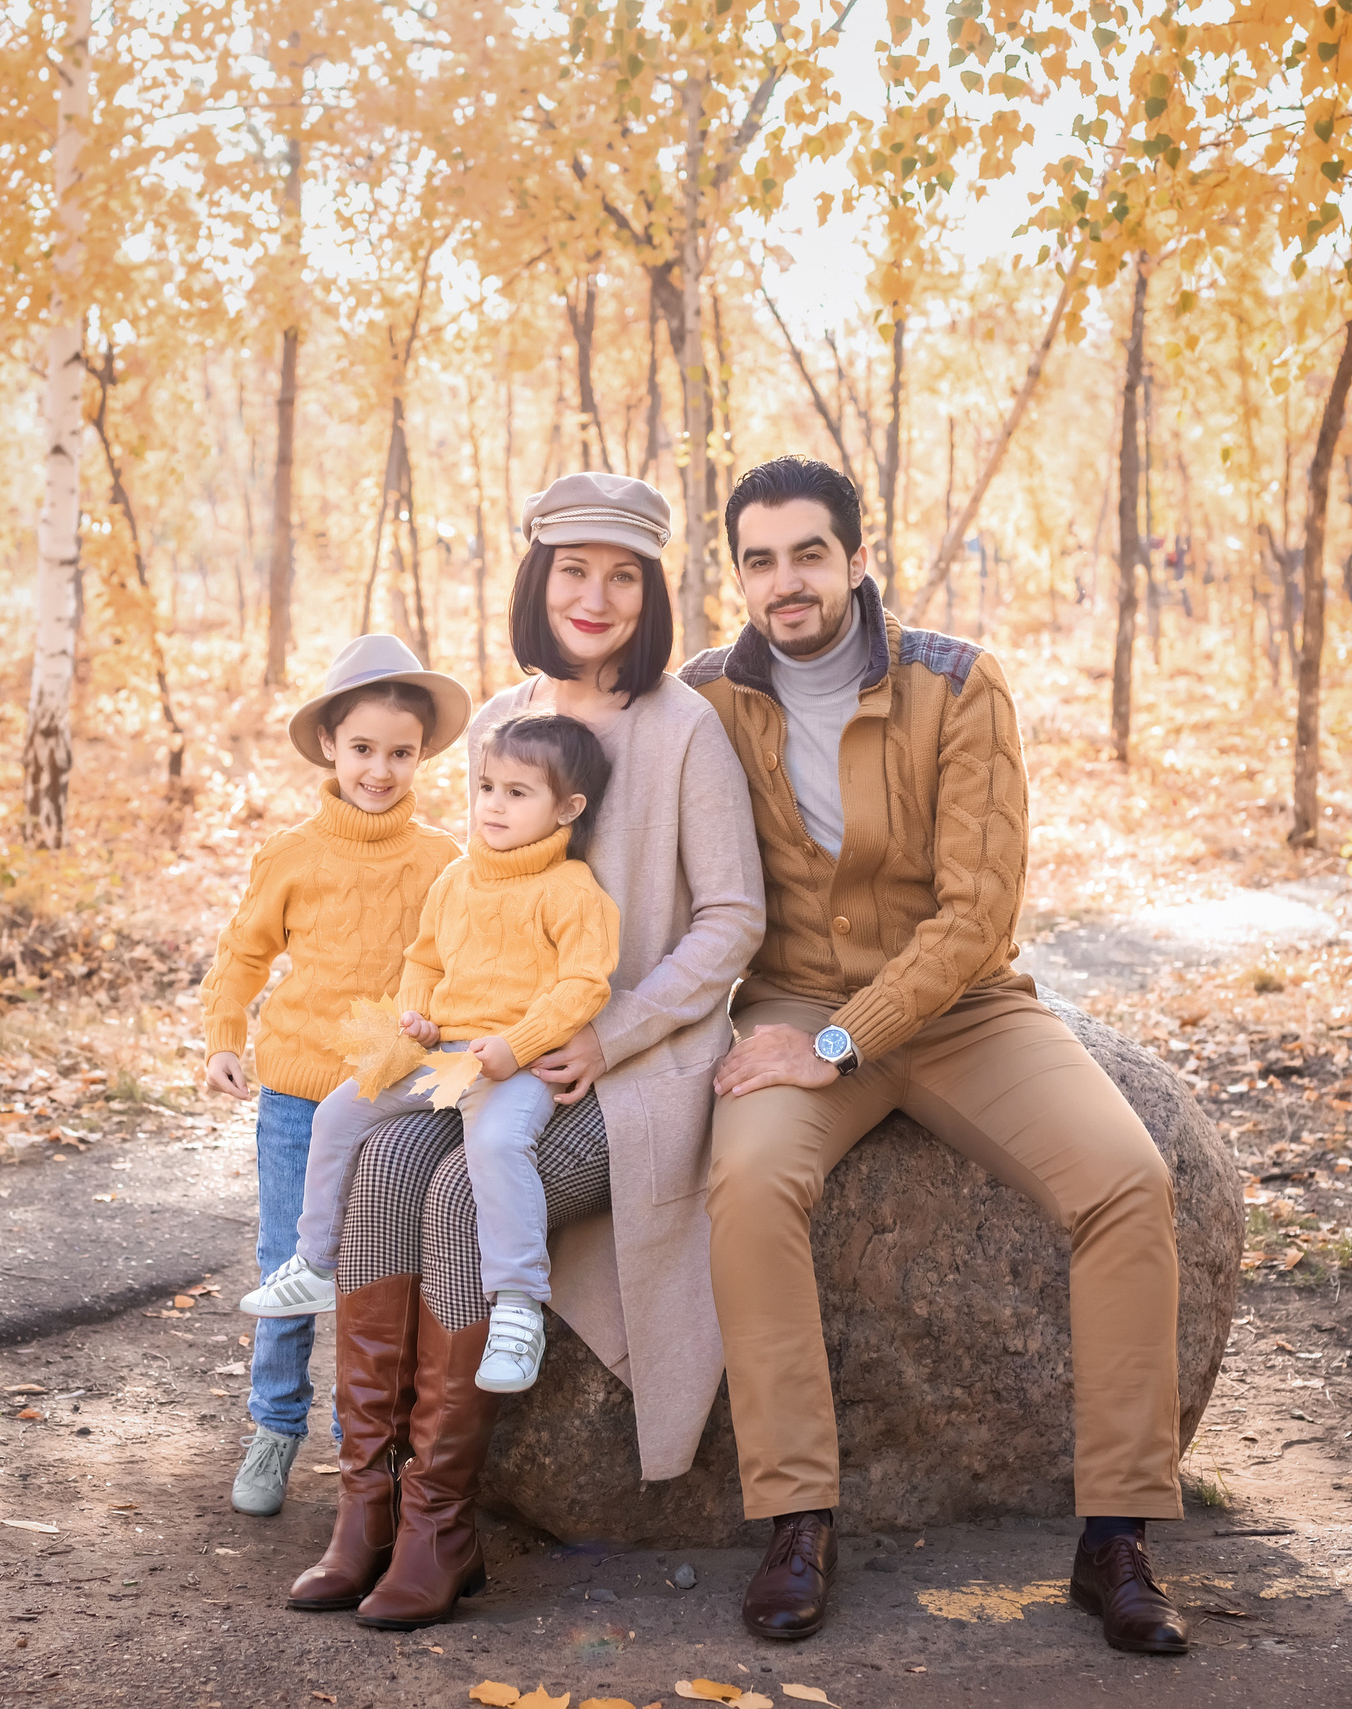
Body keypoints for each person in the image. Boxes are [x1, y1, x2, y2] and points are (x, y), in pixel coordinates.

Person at [680, 456, 1191, 1655]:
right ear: (739, 573)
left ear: (858, 559)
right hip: (793, 999)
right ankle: (799, 1516)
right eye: (758, 559)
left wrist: (847, 1040)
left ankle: (1115, 1530)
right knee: (749, 1185)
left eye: (808, 553)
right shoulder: (706, 694)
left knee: (1128, 1181)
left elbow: (975, 915)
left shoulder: (957, 683)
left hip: (962, 1009)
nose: (784, 580)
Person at [282, 471, 765, 1631]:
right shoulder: (502, 719)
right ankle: (367, 1505)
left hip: (633, 1064)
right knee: (383, 1165)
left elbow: (732, 918)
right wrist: (427, 1012)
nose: (593, 596)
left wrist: (615, 1028)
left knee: (454, 1192)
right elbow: (476, 902)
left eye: (622, 575)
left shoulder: (682, 726)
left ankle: (442, 1524)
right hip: (488, 1050)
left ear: (650, 591)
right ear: (536, 579)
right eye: (572, 569)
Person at [243, 711, 621, 1397]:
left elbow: (582, 985)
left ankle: (516, 1304)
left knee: (498, 1148)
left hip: (513, 1062)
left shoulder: (572, 891)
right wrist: (414, 1014)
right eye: (486, 787)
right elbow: (424, 957)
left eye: (518, 792)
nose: (494, 806)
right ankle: (316, 1262)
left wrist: (518, 1044)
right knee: (338, 1113)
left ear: (568, 807)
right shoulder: (457, 879)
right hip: (439, 1053)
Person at [199, 634, 466, 1519]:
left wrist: (445, 1023)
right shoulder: (294, 854)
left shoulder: (442, 861)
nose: (381, 770)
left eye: (401, 752)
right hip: (299, 1094)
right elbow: (242, 955)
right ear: (329, 746)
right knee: (289, 1261)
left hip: (393, 1091)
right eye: (363, 749)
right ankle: (274, 1426)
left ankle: (375, 1442)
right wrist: (223, 1037)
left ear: (422, 755)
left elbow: (461, 962)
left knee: (385, 1264)